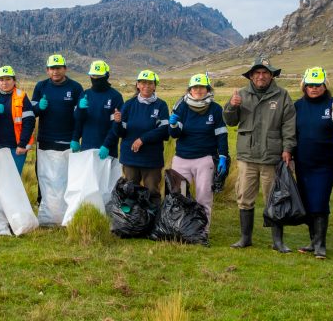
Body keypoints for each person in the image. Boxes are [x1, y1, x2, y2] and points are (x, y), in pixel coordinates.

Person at [223, 57, 296, 252]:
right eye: (257, 73)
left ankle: (277, 241)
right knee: (244, 198)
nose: (261, 76)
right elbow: (230, 121)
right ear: (251, 76)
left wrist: (288, 148)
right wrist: (232, 105)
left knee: (276, 199)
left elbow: (289, 125)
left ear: (271, 75)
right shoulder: (241, 94)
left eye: (265, 73)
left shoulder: (282, 95)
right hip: (247, 157)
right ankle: (245, 238)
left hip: (273, 157)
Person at [293, 67, 333, 259]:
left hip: (325, 162)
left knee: (320, 201)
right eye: (310, 85)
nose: (314, 88)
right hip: (303, 161)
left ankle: (321, 246)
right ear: (304, 86)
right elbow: (292, 132)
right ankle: (313, 242)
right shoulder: (298, 106)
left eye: (318, 85)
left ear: (325, 86)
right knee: (307, 201)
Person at [168, 73, 229, 231]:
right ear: (190, 89)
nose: (199, 90)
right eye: (195, 87)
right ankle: (179, 229)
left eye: (202, 87)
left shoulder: (215, 109)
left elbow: (222, 135)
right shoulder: (182, 106)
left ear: (208, 89)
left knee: (204, 197)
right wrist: (173, 125)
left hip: (205, 159)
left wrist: (223, 157)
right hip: (181, 159)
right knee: (178, 196)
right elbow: (175, 134)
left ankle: (202, 231)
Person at [31, 53, 83, 203]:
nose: (55, 71)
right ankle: (43, 203)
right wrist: (38, 107)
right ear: (47, 70)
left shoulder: (75, 87)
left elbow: (80, 116)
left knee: (67, 174)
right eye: (52, 68)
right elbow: (32, 111)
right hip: (46, 138)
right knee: (43, 172)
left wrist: (76, 137)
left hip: (68, 140)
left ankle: (66, 204)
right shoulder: (41, 86)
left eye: (58, 68)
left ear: (65, 69)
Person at [113, 70, 169, 206]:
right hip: (130, 158)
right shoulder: (129, 104)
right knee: (130, 192)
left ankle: (153, 224)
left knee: (152, 192)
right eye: (143, 83)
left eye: (150, 83)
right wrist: (117, 122)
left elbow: (164, 131)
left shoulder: (161, 105)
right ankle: (131, 225)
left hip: (151, 159)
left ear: (155, 86)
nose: (147, 86)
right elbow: (121, 133)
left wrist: (142, 140)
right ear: (138, 85)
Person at [0, 66, 36, 174]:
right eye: (1, 79)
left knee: (14, 182)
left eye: (8, 79)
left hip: (16, 149)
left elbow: (29, 122)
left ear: (14, 80)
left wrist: (22, 144)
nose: (4, 82)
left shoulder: (21, 96)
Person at [73, 60, 123, 159]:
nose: (96, 79)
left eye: (99, 77)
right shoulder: (85, 94)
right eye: (93, 76)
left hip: (107, 150)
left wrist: (107, 145)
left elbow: (116, 125)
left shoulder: (115, 97)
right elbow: (79, 120)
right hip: (86, 148)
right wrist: (75, 138)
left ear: (107, 76)